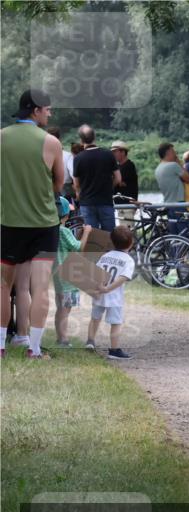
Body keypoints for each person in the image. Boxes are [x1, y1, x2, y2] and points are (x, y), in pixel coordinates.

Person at [1, 89, 64, 360]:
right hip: (43, 224)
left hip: (8, 222)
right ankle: (34, 349)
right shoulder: (50, 142)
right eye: (47, 109)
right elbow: (59, 183)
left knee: (3, 286)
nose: (49, 113)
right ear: (36, 110)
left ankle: (1, 346)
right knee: (39, 287)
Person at [85, 226, 135, 360]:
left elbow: (96, 273)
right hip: (114, 297)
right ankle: (114, 350)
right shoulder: (128, 260)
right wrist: (109, 288)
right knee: (116, 323)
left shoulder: (105, 256)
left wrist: (100, 287)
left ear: (112, 242)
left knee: (95, 318)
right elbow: (123, 277)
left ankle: (90, 342)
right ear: (131, 243)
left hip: (99, 293)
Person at [53, 197, 92, 346]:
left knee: (60, 308)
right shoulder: (64, 231)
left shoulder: (53, 231)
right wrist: (86, 232)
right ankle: (63, 339)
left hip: (57, 274)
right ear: (66, 215)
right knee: (65, 309)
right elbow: (78, 247)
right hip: (67, 276)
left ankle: (59, 337)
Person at [73, 125, 120, 232]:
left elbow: (76, 184)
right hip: (105, 201)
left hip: (87, 203)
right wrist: (109, 187)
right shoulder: (108, 154)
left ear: (81, 140)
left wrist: (80, 194)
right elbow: (118, 178)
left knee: (92, 238)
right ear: (94, 138)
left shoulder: (78, 158)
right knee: (109, 236)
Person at [154, 142, 189, 235]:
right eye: (174, 152)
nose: (175, 154)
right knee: (184, 234)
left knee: (174, 236)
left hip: (168, 204)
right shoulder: (173, 166)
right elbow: (188, 178)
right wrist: (179, 162)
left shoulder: (158, 168)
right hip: (179, 204)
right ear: (169, 153)